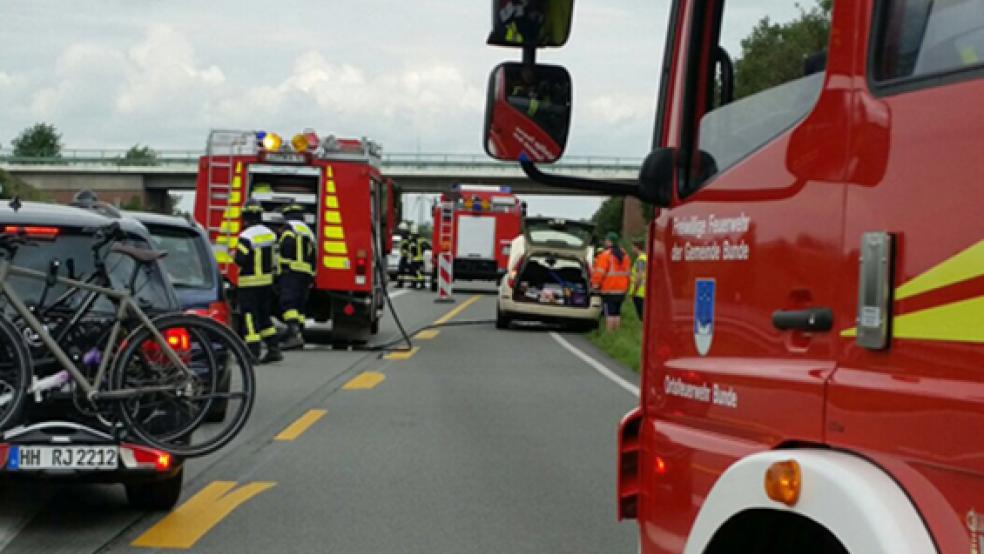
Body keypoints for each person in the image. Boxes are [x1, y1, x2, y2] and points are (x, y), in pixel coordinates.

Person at [234, 201, 282, 363]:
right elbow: (276, 259)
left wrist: (233, 254)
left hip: (249, 284)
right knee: (264, 316)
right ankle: (273, 348)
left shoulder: (246, 236)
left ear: (246, 217)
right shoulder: (270, 234)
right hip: (267, 283)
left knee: (249, 317)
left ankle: (252, 352)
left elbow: (240, 259)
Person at [276, 204, 316, 350]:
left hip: (291, 272)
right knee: (299, 307)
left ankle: (293, 335)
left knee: (288, 304)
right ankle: (298, 333)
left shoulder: (289, 229)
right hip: (305, 274)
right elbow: (313, 254)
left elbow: (286, 246)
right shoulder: (307, 231)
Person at [591, 231, 631, 332]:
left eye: (606, 240)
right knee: (617, 313)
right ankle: (616, 333)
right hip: (622, 290)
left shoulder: (605, 255)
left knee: (609, 313)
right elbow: (628, 274)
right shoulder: (625, 255)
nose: (605, 242)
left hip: (609, 289)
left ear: (610, 242)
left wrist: (595, 285)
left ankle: (609, 333)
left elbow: (600, 273)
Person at [630, 239, 647, 320]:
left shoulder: (641, 260)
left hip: (639, 293)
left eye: (633, 247)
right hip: (643, 292)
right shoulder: (644, 258)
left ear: (637, 247)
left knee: (642, 317)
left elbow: (639, 276)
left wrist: (634, 291)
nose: (632, 249)